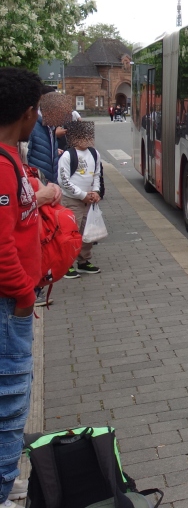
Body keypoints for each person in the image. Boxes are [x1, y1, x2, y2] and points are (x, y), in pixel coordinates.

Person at [0, 68, 60, 505]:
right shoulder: (2, 167)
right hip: (9, 310)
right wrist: (23, 295)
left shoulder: (9, 160)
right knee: (9, 406)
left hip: (13, 306)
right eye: (37, 110)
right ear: (27, 113)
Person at [57, 120, 103, 278]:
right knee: (71, 232)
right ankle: (67, 264)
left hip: (89, 200)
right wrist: (82, 195)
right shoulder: (68, 155)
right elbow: (63, 181)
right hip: (72, 200)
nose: (85, 140)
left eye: (87, 137)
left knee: (87, 232)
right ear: (74, 138)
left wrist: (96, 191)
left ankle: (83, 261)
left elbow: (97, 174)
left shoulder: (94, 153)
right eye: (81, 137)